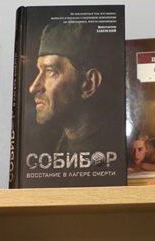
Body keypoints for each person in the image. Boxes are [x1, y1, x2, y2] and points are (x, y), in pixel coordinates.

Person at [28, 22, 112, 155]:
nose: (33, 87)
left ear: (88, 84)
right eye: (39, 71)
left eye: (50, 71)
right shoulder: (61, 145)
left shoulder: (107, 148)